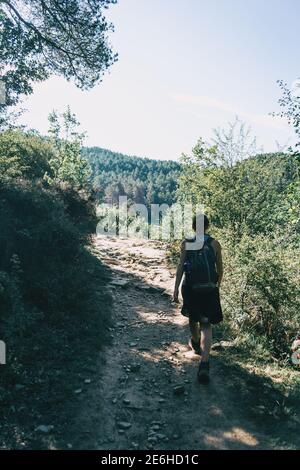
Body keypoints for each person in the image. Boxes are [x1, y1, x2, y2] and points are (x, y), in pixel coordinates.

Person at [172, 214, 223, 384]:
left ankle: (195, 341)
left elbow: (180, 268)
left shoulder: (186, 243)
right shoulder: (215, 244)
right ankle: (204, 364)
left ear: (193, 227)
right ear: (207, 227)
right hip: (209, 289)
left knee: (193, 318)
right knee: (206, 324)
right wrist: (216, 286)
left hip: (191, 288)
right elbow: (220, 269)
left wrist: (175, 290)